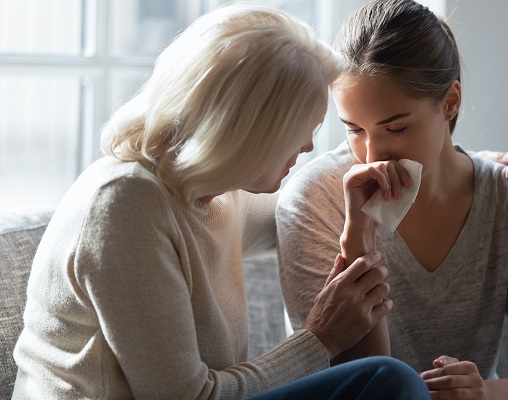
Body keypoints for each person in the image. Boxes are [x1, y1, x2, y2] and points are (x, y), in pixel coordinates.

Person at [12, 4, 432, 399]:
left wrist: (482, 164)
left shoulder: (217, 192)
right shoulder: (125, 205)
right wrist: (320, 338)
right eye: (301, 130)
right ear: (247, 131)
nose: (307, 147)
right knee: (388, 380)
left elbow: (310, 196)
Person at [277, 0, 508, 399]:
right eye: (354, 129)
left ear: (451, 102)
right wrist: (360, 239)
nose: (371, 155)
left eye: (397, 127)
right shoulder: (314, 200)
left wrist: (485, 393)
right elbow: (364, 386)